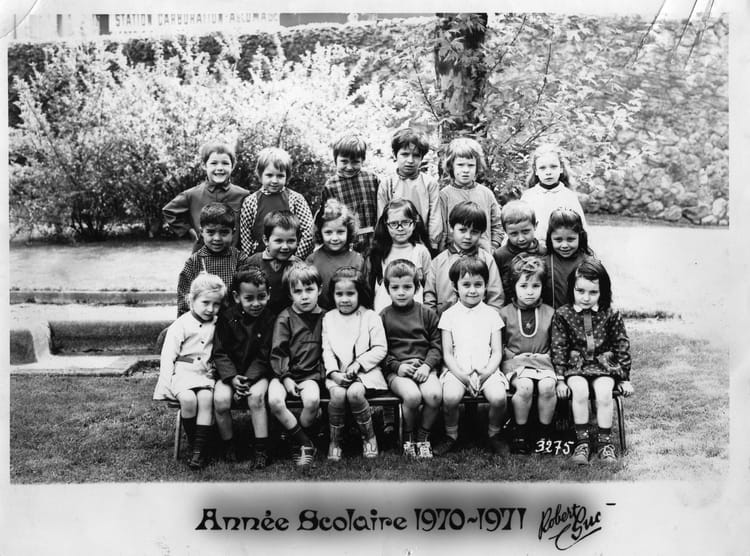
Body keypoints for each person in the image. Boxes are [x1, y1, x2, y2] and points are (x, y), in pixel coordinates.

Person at [551, 259, 633, 464]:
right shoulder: (563, 314)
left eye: (593, 292)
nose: (586, 298)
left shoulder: (611, 313)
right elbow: (559, 347)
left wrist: (624, 378)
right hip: (575, 367)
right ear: (572, 289)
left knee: (604, 393)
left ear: (602, 291)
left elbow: (621, 344)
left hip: (603, 366)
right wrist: (560, 379)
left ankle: (605, 444)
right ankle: (582, 443)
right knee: (579, 391)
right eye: (580, 291)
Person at [435, 258, 508, 456]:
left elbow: (497, 352)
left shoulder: (492, 315)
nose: (473, 290)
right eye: (466, 285)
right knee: (450, 397)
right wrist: (462, 376)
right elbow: (447, 353)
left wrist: (486, 373)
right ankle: (451, 434)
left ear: (486, 285)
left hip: (487, 369)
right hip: (457, 370)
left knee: (499, 398)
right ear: (455, 287)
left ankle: (494, 433)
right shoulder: (449, 315)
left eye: (478, 284)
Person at [153, 273, 225, 469]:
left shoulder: (218, 323)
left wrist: (216, 369)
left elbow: (221, 351)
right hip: (183, 373)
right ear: (191, 300)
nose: (210, 309)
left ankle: (200, 451)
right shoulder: (181, 324)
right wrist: (166, 383)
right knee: (188, 399)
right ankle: (195, 443)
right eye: (205, 302)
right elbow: (168, 355)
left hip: (204, 374)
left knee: (205, 399)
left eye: (216, 304)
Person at [212, 266, 276, 468]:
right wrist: (232, 377)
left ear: (268, 294)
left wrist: (248, 379)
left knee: (256, 398)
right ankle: (229, 445)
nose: (256, 303)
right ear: (236, 297)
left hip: (257, 374)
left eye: (261, 297)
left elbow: (265, 354)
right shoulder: (226, 317)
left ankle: (261, 449)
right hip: (230, 373)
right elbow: (220, 352)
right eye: (249, 298)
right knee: (220, 400)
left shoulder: (270, 319)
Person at [498, 254, 562, 454]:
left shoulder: (550, 313)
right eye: (523, 286)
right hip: (516, 364)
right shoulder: (504, 313)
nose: (529, 292)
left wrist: (547, 357)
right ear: (514, 286)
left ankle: (544, 433)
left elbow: (557, 343)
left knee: (548, 386)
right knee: (525, 387)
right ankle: (520, 433)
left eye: (535, 286)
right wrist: (512, 356)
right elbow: (498, 345)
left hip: (544, 362)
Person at [322, 267, 387, 461]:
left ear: (360, 293)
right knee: (338, 394)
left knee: (355, 393)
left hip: (366, 373)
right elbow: (327, 350)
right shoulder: (329, 318)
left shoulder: (370, 316)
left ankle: (369, 437)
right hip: (338, 373)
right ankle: (335, 440)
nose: (344, 299)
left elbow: (380, 348)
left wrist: (359, 364)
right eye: (339, 294)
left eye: (350, 294)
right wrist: (334, 373)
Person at [379, 260, 442, 459]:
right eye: (395, 288)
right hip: (397, 371)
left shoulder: (427, 314)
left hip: (424, 367)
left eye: (407, 287)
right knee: (412, 396)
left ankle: (423, 436)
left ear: (416, 287)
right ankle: (408, 435)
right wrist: (397, 366)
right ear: (387, 289)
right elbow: (379, 350)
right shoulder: (383, 317)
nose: (401, 292)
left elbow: (437, 345)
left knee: (434, 395)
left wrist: (427, 366)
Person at [268, 263, 325, 467]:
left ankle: (296, 438)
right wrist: (285, 377)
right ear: (290, 294)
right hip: (283, 374)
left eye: (309, 290)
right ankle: (304, 442)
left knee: (312, 401)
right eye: (298, 291)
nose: (304, 296)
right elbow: (278, 351)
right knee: (275, 400)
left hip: (310, 375)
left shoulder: (326, 317)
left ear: (319, 289)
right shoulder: (285, 318)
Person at [163, 139, 248, 251]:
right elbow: (169, 211)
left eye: (225, 163)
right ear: (204, 165)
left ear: (232, 166)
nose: (219, 168)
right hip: (202, 256)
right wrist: (190, 231)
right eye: (214, 163)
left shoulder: (243, 195)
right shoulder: (192, 195)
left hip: (234, 256)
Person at [424, 201, 503, 316]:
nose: (468, 237)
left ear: (481, 233)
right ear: (451, 227)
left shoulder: (487, 260)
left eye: (474, 232)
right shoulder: (438, 262)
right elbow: (429, 299)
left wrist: (488, 321)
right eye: (462, 230)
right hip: (444, 323)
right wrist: (435, 324)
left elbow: (496, 299)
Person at [239, 147, 315, 259]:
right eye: (269, 175)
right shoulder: (251, 201)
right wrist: (250, 260)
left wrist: (297, 258)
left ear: (287, 176)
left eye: (280, 176)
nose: (274, 181)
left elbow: (309, 232)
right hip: (260, 260)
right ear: (260, 175)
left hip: (290, 259)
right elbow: (245, 235)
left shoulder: (296, 199)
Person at [175, 202, 249, 317]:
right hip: (203, 319)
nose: (217, 238)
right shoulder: (194, 262)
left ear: (233, 233)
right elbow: (184, 299)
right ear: (201, 232)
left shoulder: (240, 259)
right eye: (210, 232)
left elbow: (247, 293)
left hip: (233, 320)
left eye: (224, 232)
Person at [377, 128, 441, 251]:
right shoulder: (387, 184)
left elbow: (435, 217)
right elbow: (382, 217)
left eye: (416, 155)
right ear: (395, 154)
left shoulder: (430, 184)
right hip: (395, 244)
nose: (410, 160)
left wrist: (433, 244)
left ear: (422, 157)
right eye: (405, 154)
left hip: (422, 243)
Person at [437, 137, 503, 252]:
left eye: (471, 165)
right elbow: (442, 231)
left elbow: (498, 224)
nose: (466, 170)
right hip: (455, 255)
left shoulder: (486, 193)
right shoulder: (444, 195)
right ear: (451, 166)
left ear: (477, 167)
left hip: (483, 254)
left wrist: (493, 246)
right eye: (460, 165)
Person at [369, 198, 433, 313]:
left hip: (413, 314)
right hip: (384, 313)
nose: (400, 228)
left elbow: (429, 286)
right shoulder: (379, 252)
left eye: (405, 222)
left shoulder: (421, 252)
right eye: (394, 224)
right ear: (386, 225)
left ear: (414, 223)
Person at [320, 134, 380, 253]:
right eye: (344, 161)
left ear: (362, 160)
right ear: (335, 160)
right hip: (346, 245)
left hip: (375, 241)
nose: (349, 167)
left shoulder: (372, 179)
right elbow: (328, 219)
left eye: (355, 162)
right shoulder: (330, 186)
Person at [520, 143, 587, 242]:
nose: (548, 172)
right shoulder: (528, 196)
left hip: (562, 247)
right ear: (536, 171)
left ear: (561, 168)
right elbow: (519, 225)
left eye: (553, 166)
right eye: (542, 168)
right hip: (534, 247)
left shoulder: (568, 196)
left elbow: (582, 229)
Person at [306, 198, 365, 310]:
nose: (334, 238)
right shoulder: (312, 260)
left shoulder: (357, 260)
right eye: (328, 232)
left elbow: (363, 295)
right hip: (320, 315)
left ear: (348, 231)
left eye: (340, 232)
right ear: (320, 233)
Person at [246, 210, 303, 318]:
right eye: (279, 241)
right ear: (266, 240)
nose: (285, 247)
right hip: (259, 318)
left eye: (291, 241)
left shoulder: (298, 266)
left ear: (297, 241)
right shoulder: (252, 262)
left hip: (288, 319)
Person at [493, 200, 546, 306]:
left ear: (535, 226)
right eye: (514, 234)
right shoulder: (500, 256)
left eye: (525, 232)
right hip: (510, 308)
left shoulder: (543, 252)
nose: (521, 238)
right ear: (505, 231)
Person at [543, 208, 596, 309]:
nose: (564, 245)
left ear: (580, 236)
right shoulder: (545, 262)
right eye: (558, 240)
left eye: (570, 239)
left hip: (580, 316)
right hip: (551, 316)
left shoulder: (589, 262)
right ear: (550, 238)